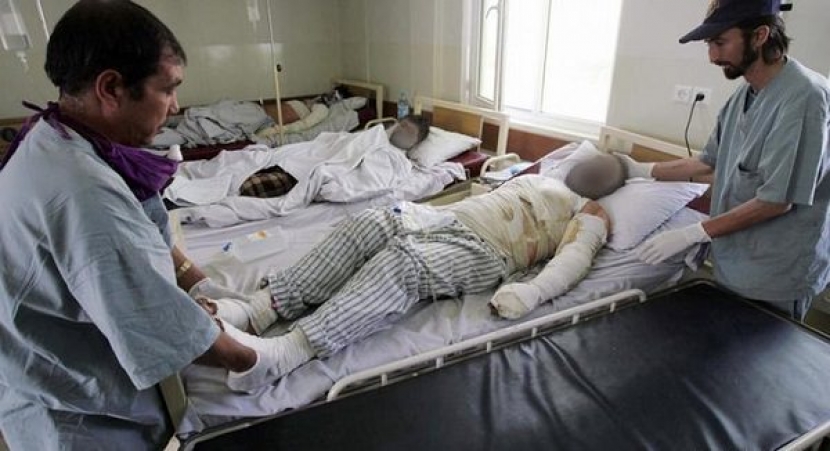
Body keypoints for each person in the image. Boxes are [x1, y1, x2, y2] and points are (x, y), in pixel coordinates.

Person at [0, 1, 272, 449]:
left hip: (44, 379)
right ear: (111, 87)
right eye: (168, 89)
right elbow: (157, 318)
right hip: (80, 419)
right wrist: (268, 356)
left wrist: (200, 286)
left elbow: (144, 236)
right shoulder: (83, 190)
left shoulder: (58, 138)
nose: (176, 106)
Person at [207, 154, 627, 391]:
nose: (593, 167)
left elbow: (572, 261)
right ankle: (259, 309)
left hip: (488, 250)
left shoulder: (589, 211)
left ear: (610, 185)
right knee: (368, 222)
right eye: (595, 159)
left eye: (605, 169)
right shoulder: (539, 176)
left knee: (405, 263)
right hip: (444, 217)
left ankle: (287, 352)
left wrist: (532, 292)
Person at [622, 0, 830, 320]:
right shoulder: (744, 96)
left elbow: (777, 201)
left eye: (720, 43)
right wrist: (639, 169)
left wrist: (694, 233)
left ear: (759, 36)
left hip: (778, 272)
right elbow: (708, 162)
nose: (712, 56)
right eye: (709, 44)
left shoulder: (805, 97)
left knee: (764, 351)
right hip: (736, 260)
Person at [238, 114, 431, 198]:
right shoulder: (377, 135)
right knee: (255, 168)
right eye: (402, 125)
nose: (402, 130)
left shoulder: (398, 161)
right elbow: (346, 143)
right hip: (317, 155)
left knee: (249, 187)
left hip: (319, 171)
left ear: (415, 143)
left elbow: (372, 180)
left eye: (409, 131)